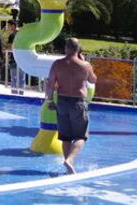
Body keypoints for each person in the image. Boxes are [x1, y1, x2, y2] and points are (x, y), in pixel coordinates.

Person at [45, 37, 97, 174]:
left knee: (65, 137)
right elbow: (93, 80)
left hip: (62, 101)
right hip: (78, 102)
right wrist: (84, 61)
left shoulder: (57, 64)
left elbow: (50, 83)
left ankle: (67, 165)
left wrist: (49, 101)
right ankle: (70, 160)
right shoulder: (85, 65)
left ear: (66, 48)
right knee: (81, 136)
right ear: (78, 49)